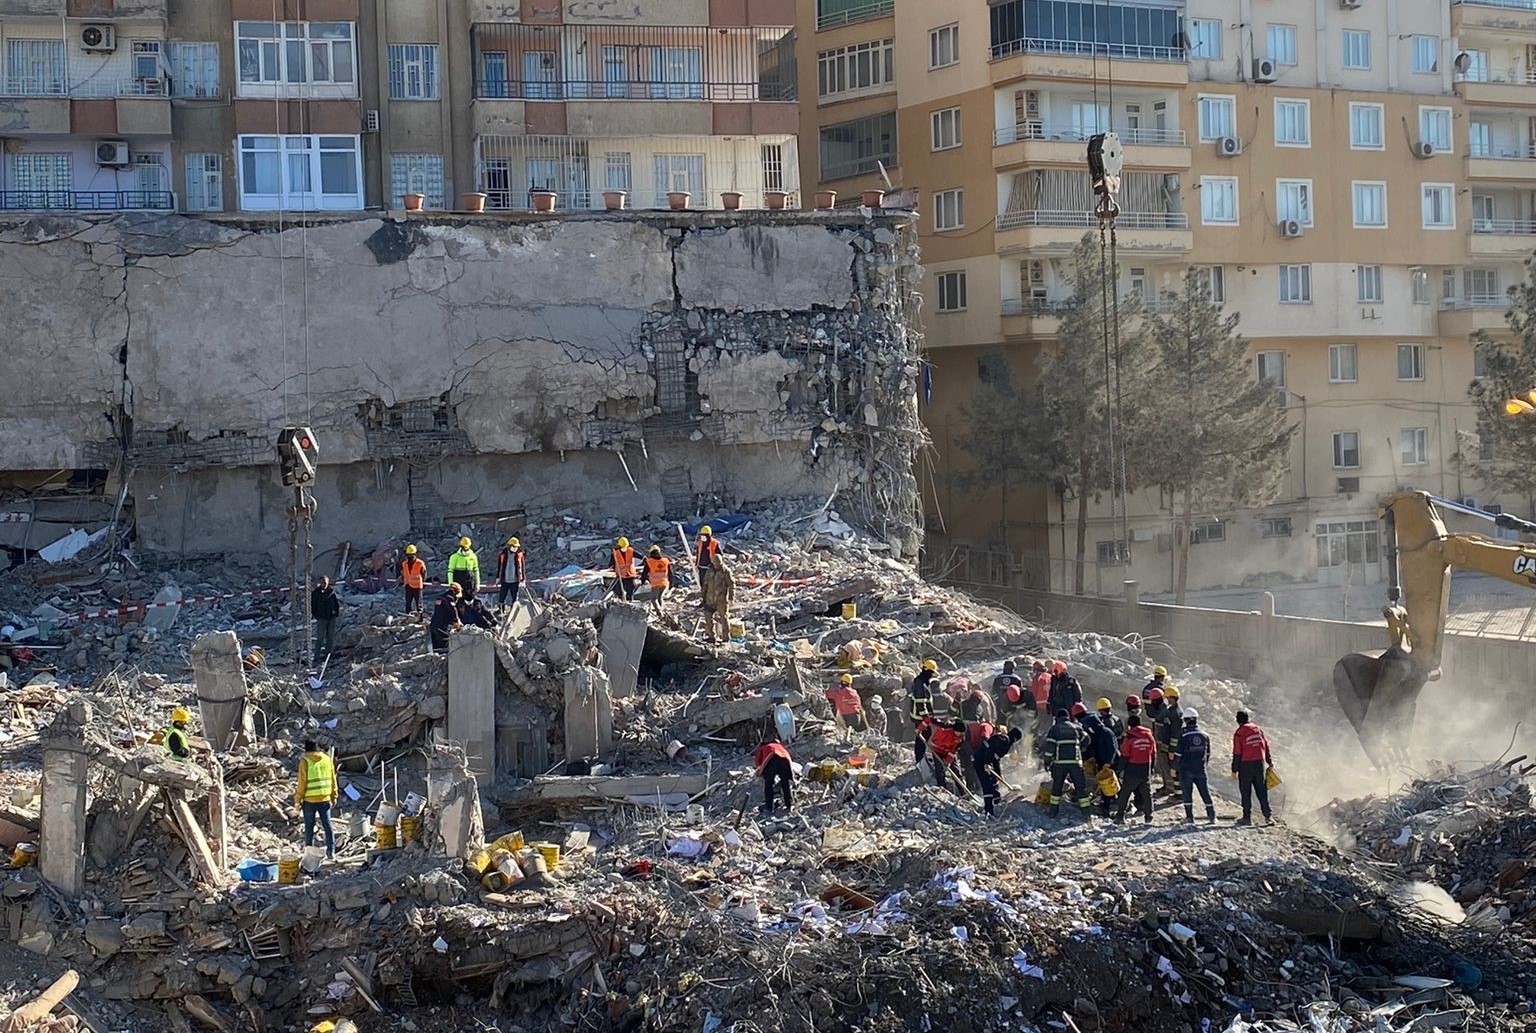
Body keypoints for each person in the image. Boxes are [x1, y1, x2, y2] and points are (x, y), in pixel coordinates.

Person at [1044, 709, 1092, 818]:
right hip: (1076, 762)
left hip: (1060, 763)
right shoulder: (1077, 727)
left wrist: (1047, 762)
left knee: (1057, 787)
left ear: (1058, 718)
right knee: (1081, 788)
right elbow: (1087, 739)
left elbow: (1049, 748)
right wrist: (1081, 748)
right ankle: (1086, 813)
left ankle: (1053, 812)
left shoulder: (1055, 729)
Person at [295, 739, 338, 859]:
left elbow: (302, 783)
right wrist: (334, 795)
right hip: (325, 799)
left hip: (309, 801)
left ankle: (309, 854)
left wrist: (297, 801)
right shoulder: (327, 759)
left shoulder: (305, 761)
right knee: (328, 826)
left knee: (309, 827)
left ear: (306, 750)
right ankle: (331, 852)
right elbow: (333, 779)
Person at [1232, 710, 1274, 826]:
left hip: (1245, 765)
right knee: (1261, 790)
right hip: (1259, 764)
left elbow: (1237, 752)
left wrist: (1234, 769)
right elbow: (1265, 745)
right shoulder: (1257, 729)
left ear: (1238, 720)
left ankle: (1246, 818)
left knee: (1246, 792)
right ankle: (1268, 816)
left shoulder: (1239, 733)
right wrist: (1269, 761)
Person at [1175, 709, 1216, 824]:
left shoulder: (1183, 736)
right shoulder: (1205, 735)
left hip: (1186, 769)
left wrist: (1174, 768)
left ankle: (1189, 818)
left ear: (1186, 720)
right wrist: (1203, 764)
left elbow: (1178, 754)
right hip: (1200, 769)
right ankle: (1212, 816)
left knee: (1187, 793)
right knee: (1205, 792)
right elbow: (1208, 754)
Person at [1115, 714, 1157, 825]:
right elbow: (1153, 753)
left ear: (1129, 726)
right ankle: (1149, 816)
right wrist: (1152, 768)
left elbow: (1124, 755)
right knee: (1147, 793)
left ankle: (1120, 817)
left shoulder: (1129, 738)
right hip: (1145, 767)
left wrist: (1120, 770)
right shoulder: (1149, 736)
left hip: (1132, 768)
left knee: (1125, 794)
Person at [973, 726, 1023, 817]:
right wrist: (986, 762)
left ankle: (996, 800)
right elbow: (989, 749)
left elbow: (996, 759)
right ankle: (989, 811)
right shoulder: (1002, 740)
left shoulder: (1006, 744)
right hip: (979, 761)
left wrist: (998, 774)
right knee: (987, 786)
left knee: (994, 781)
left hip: (986, 763)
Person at [1079, 709, 1119, 817]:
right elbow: (1091, 748)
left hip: (1112, 762)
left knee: (1112, 783)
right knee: (1104, 785)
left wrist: (1108, 762)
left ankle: (1114, 805)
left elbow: (1113, 749)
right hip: (1101, 762)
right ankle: (1106, 805)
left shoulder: (1107, 732)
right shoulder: (1095, 735)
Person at [915, 714, 968, 792]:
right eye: (959, 733)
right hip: (937, 750)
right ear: (954, 729)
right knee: (939, 770)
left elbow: (953, 751)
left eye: (962, 733)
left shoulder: (961, 739)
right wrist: (919, 729)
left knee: (955, 770)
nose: (961, 735)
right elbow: (929, 719)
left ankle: (963, 791)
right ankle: (943, 789)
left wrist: (948, 762)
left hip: (948, 752)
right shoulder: (944, 726)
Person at [700, 553, 735, 644]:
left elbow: (731, 585)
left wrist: (731, 597)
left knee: (724, 618)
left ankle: (726, 638)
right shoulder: (709, 571)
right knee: (708, 617)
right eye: (715, 563)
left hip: (721, 600)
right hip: (710, 599)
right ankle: (712, 636)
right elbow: (705, 584)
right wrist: (703, 597)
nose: (716, 565)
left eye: (718, 563)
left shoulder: (726, 571)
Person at [754, 737, 793, 815]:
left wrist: (759, 773)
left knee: (768, 785)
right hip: (785, 762)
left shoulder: (763, 748)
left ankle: (769, 807)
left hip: (772, 761)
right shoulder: (780, 746)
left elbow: (758, 764)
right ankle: (789, 805)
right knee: (785, 783)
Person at [908, 660, 938, 758]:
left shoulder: (922, 681)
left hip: (920, 716)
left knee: (922, 737)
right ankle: (919, 759)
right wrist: (925, 716)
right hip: (919, 717)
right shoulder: (920, 684)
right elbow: (920, 702)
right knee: (922, 737)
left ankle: (920, 757)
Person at [1156, 685, 1183, 794]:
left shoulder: (1176, 713)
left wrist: (1172, 750)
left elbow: (1175, 734)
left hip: (1170, 748)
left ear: (1172, 698)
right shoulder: (1171, 710)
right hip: (1166, 745)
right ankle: (1167, 786)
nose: (1166, 700)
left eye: (1167, 698)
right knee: (1165, 766)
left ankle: (1171, 788)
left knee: (1170, 768)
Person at [824, 673, 865, 741]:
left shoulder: (838, 692)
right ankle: (851, 736)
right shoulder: (855, 693)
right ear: (850, 683)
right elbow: (859, 704)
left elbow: (826, 694)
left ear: (841, 682)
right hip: (856, 718)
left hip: (844, 718)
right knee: (850, 728)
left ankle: (844, 738)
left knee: (839, 717)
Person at [959, 718, 996, 791]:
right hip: (966, 739)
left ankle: (972, 788)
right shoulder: (989, 727)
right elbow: (983, 739)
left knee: (969, 766)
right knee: (972, 765)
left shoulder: (986, 726)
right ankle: (974, 788)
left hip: (965, 740)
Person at [311, 576, 340, 658]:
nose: (323, 584)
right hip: (321, 618)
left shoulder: (331, 592)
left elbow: (335, 604)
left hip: (331, 617)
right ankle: (317, 656)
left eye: (325, 583)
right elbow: (313, 605)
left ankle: (328, 655)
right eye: (322, 583)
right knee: (320, 637)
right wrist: (316, 615)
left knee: (330, 637)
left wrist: (336, 613)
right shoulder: (316, 593)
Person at [429, 584, 464, 652]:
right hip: (442, 627)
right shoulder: (449, 599)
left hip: (434, 625)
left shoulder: (440, 598)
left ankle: (437, 660)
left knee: (436, 648)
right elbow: (453, 611)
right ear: (455, 592)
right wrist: (457, 622)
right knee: (444, 648)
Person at [496, 536, 527, 607]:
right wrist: (498, 577)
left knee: (515, 598)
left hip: (515, 581)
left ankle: (514, 611)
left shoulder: (519, 554)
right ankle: (501, 610)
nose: (515, 548)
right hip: (505, 580)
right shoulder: (503, 554)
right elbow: (499, 567)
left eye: (516, 546)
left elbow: (522, 567)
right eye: (513, 546)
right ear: (509, 546)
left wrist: (523, 580)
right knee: (502, 597)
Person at [1029, 661, 1052, 750]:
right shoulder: (1050, 677)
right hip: (1050, 705)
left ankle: (1040, 745)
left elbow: (1034, 693)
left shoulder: (1037, 678)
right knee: (1048, 725)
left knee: (1040, 726)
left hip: (1040, 705)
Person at [643, 545, 672, 615]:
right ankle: (661, 612)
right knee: (659, 597)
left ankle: (659, 612)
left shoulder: (649, 561)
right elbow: (671, 573)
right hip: (664, 583)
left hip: (655, 583)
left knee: (653, 599)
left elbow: (644, 573)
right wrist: (671, 583)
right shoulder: (665, 560)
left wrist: (643, 581)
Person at [400, 544, 427, 616]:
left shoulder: (420, 563)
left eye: (411, 555)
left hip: (417, 586)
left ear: (415, 554)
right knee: (408, 602)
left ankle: (420, 617)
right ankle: (407, 615)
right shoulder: (404, 563)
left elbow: (424, 574)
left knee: (419, 603)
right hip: (408, 585)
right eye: (408, 555)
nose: (410, 556)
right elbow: (403, 572)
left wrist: (423, 583)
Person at [611, 537, 638, 601]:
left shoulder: (631, 551)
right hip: (621, 575)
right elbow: (611, 563)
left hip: (629, 574)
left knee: (630, 589)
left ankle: (630, 601)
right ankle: (622, 600)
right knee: (619, 590)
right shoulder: (615, 553)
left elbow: (641, 556)